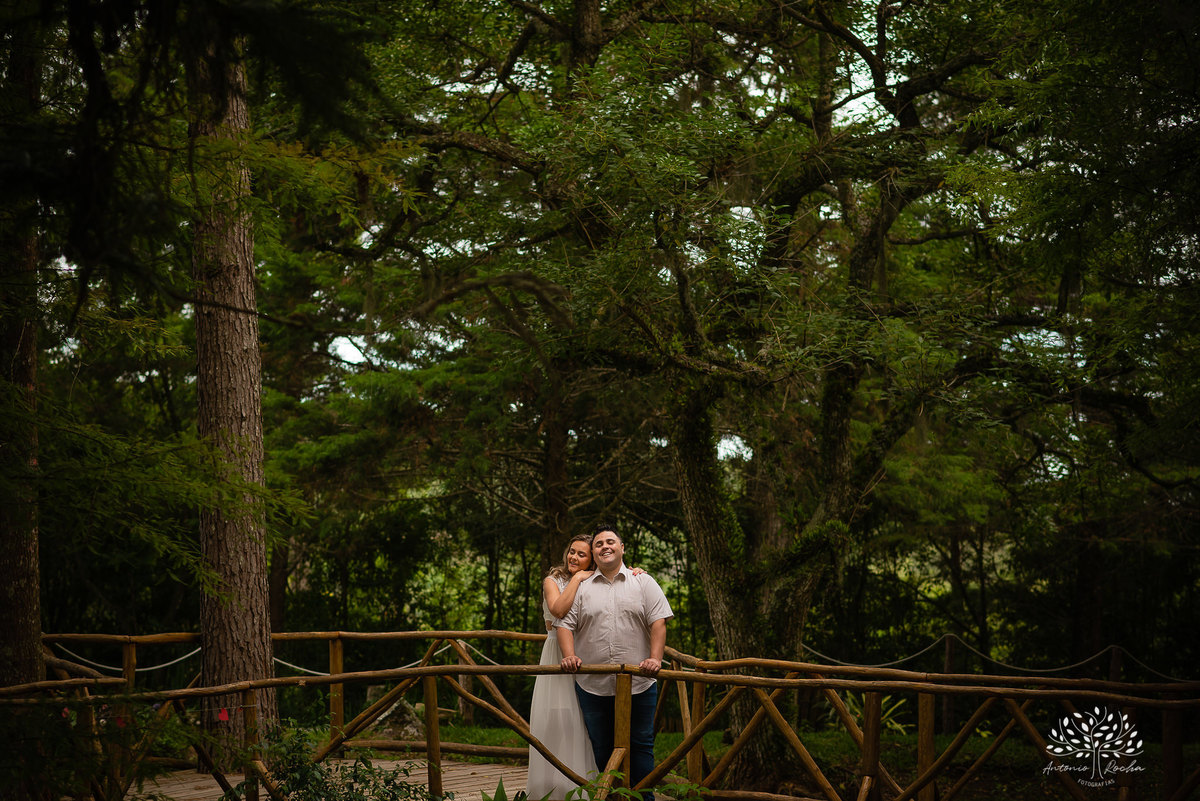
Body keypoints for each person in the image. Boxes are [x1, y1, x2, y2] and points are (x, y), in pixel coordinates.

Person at [557, 523, 673, 800]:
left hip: (640, 683)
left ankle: (644, 799)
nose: (605, 546)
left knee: (641, 746)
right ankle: (611, 798)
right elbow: (564, 625)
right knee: (601, 747)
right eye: (598, 544)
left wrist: (656, 659)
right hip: (592, 685)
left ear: (622, 548)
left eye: (611, 542)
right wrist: (569, 656)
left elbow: (658, 623)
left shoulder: (643, 581)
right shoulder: (582, 587)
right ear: (593, 555)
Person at [526, 534, 600, 800]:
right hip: (557, 652)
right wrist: (579, 578)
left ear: (591, 560)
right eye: (572, 551)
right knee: (555, 717)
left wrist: (636, 571)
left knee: (581, 719)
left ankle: (580, 785)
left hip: (584, 654)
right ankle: (547, 787)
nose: (574, 557)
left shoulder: (596, 579)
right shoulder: (552, 580)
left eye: (582, 555)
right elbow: (558, 610)